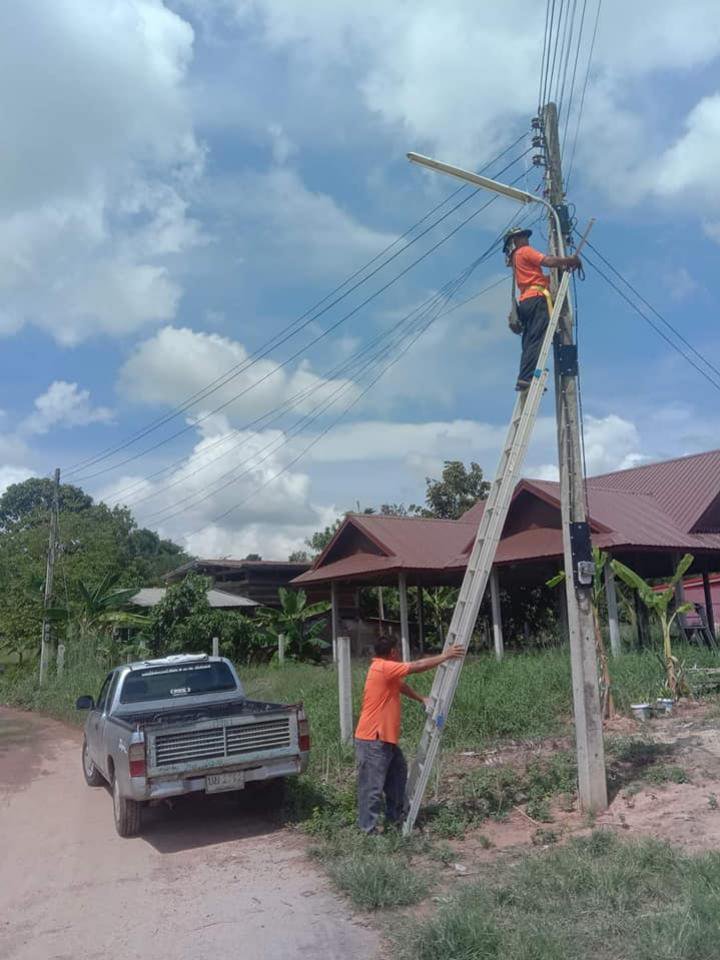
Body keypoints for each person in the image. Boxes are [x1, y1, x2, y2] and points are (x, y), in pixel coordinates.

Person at [354, 635, 464, 833]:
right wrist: (445, 656)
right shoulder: (384, 667)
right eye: (398, 650)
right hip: (373, 740)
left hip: (385, 739)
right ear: (393, 652)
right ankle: (367, 831)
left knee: (398, 775)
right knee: (371, 788)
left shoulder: (384, 671)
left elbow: (400, 685)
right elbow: (417, 666)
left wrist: (420, 698)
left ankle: (395, 817)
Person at [503, 226, 582, 391]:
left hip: (526, 301)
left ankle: (524, 376)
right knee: (536, 340)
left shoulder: (516, 259)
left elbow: (538, 278)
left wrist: (562, 270)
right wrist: (569, 260)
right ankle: (527, 377)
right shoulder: (524, 251)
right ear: (515, 241)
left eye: (525, 236)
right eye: (522, 236)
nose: (526, 239)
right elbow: (548, 261)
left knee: (530, 340)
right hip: (536, 300)